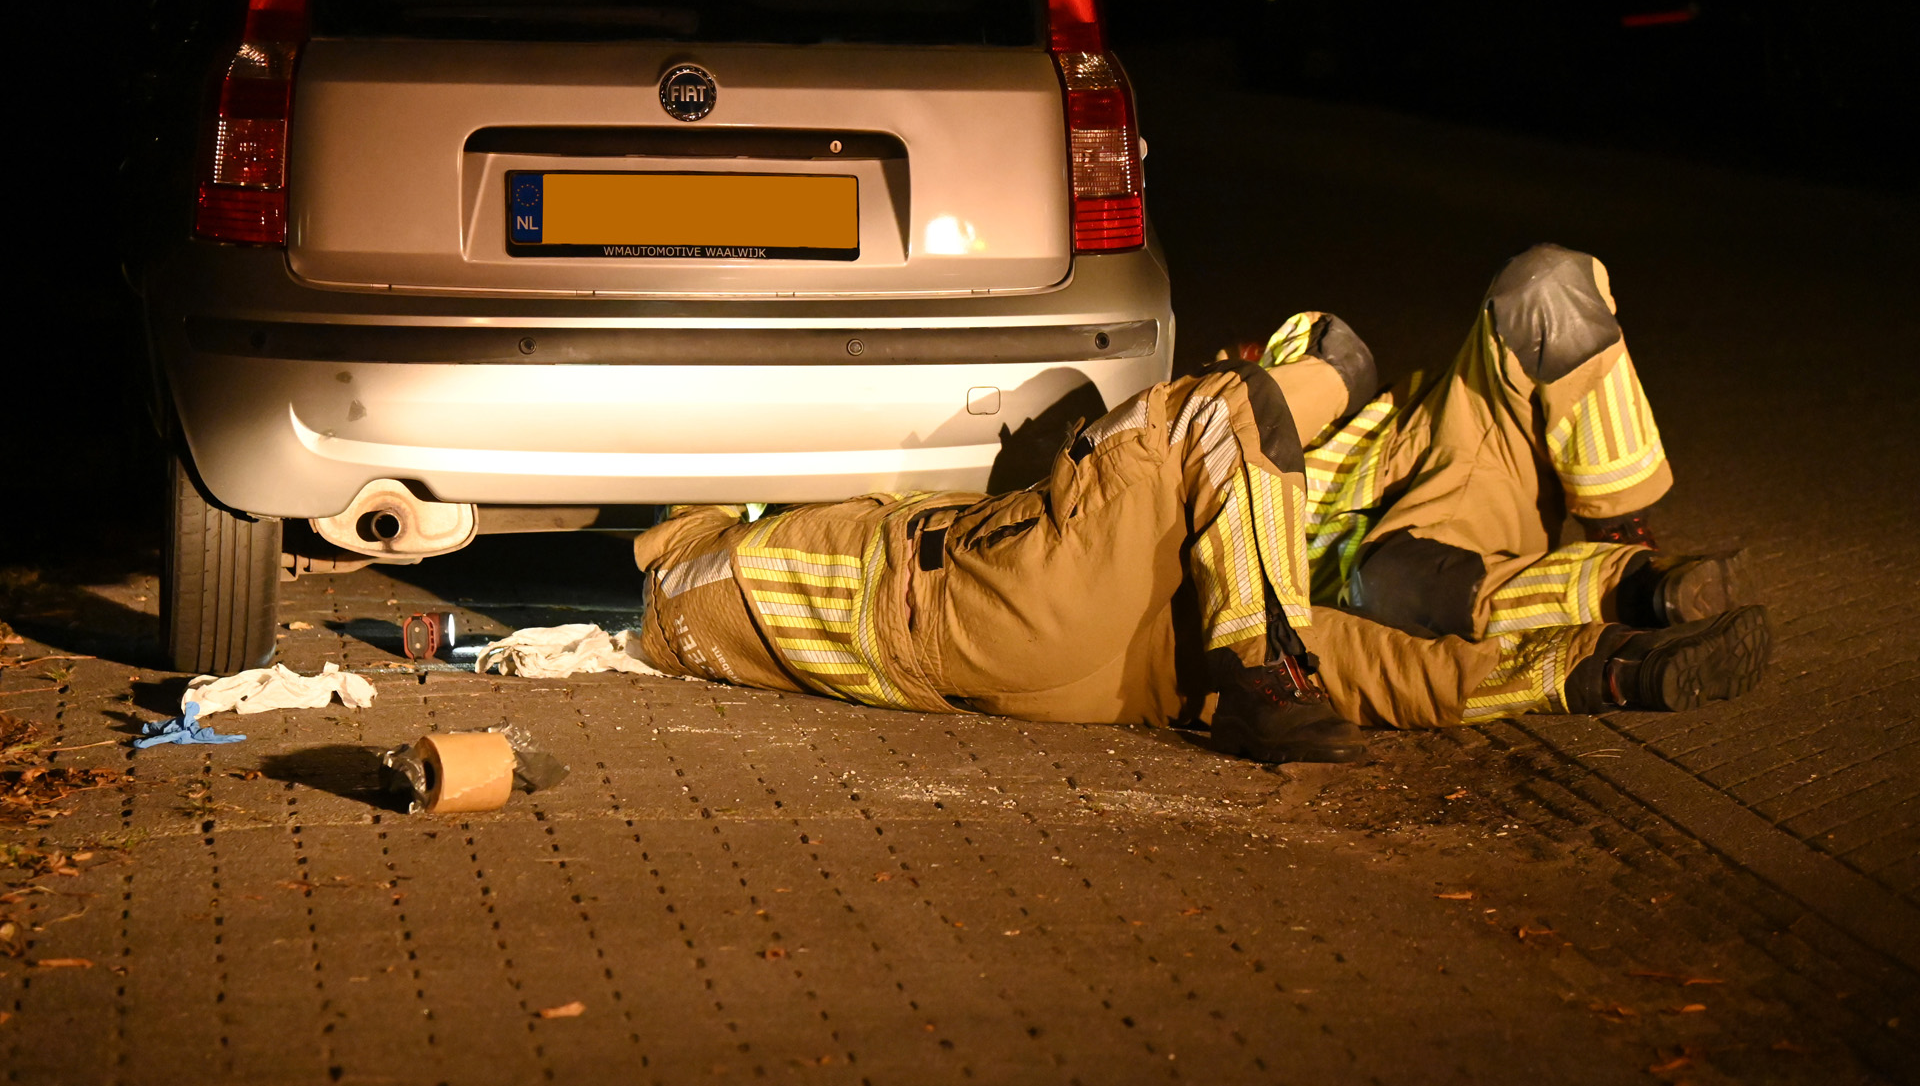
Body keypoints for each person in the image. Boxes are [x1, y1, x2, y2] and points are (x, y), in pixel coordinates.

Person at [626, 245, 1769, 764]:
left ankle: (1628, 606)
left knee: (1545, 286)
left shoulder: (1320, 442)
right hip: (1146, 615)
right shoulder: (718, 575)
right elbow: (687, 590)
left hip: (1370, 519)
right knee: (1255, 428)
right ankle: (1615, 601)